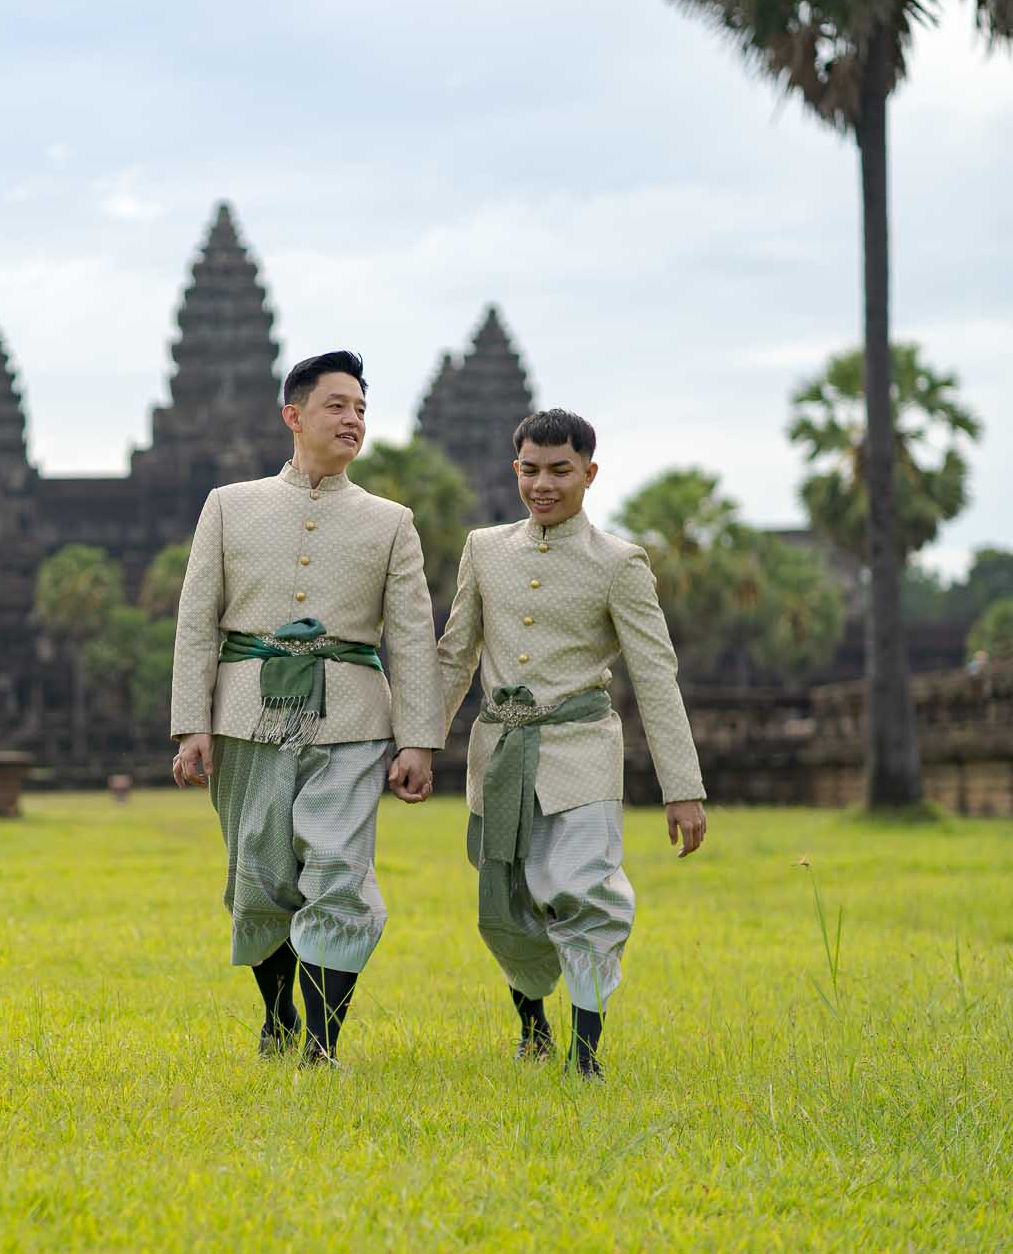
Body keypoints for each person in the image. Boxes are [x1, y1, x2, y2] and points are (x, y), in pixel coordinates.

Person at [170, 350, 441, 1067]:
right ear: (294, 416)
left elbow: (413, 636)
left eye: (360, 408)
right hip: (244, 712)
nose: (352, 419)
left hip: (352, 718)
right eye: (336, 405)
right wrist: (191, 723)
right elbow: (197, 619)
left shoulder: (391, 523)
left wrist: (419, 739)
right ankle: (277, 1015)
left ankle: (322, 1044)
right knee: (258, 876)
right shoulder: (229, 506)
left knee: (339, 875)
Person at [435, 409, 707, 1079]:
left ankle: (584, 1057)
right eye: (530, 469)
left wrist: (683, 788)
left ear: (589, 472)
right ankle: (533, 1027)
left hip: (581, 753)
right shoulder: (484, 549)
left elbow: (655, 675)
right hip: (500, 755)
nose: (543, 483)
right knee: (508, 906)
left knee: (587, 894)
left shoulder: (619, 564)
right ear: (515, 469)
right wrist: (417, 743)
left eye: (560, 470)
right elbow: (454, 657)